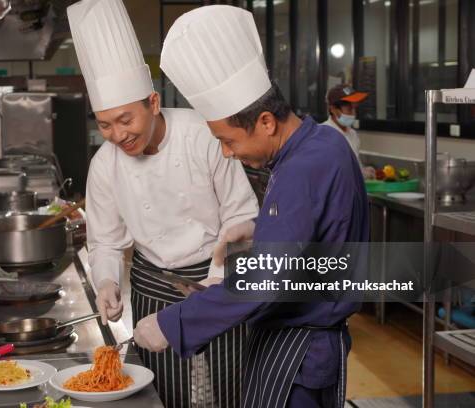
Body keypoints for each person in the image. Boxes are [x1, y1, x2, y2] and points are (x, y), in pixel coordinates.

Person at [133, 5, 369, 408]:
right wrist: (260, 229)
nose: (226, 154)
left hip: (298, 351)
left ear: (265, 122)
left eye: (229, 141)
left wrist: (172, 323)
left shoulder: (304, 167)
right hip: (299, 345)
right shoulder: (319, 145)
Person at [67, 1, 259, 407]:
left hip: (214, 279)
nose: (117, 135)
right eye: (104, 124)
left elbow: (242, 216)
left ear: (153, 103)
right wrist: (106, 282)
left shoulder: (204, 136)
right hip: (152, 287)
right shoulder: (104, 165)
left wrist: (217, 283)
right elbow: (105, 241)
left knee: (226, 389)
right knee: (163, 395)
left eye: (125, 120)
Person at [321, 84, 369, 166]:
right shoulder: (322, 135)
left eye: (355, 108)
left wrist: (363, 171)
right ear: (333, 109)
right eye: (349, 109)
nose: (353, 113)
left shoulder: (353, 134)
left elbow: (355, 165)